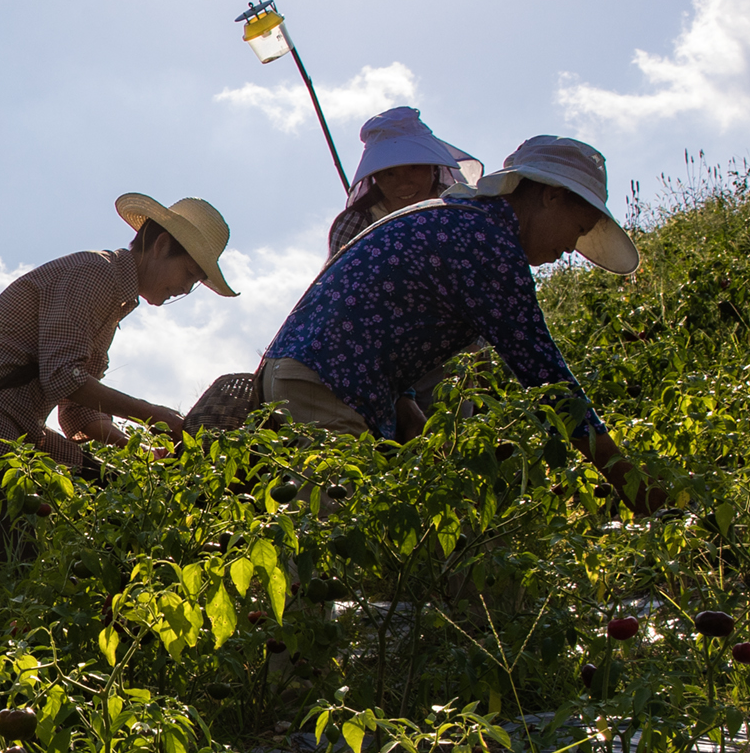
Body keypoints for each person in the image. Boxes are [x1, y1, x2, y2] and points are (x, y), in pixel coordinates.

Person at [258, 136, 644, 492]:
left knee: (369, 523)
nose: (570, 248)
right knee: (337, 534)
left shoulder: (463, 220)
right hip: (324, 381)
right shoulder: (487, 243)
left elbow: (390, 313)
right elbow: (547, 376)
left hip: (313, 372)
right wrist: (634, 487)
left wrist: (404, 398)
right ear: (552, 198)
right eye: (577, 229)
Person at [0, 194, 236, 556]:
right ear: (163, 245)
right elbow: (63, 378)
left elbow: (76, 410)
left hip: (16, 426)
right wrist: (156, 415)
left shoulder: (116, 298)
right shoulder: (95, 275)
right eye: (188, 274)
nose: (185, 289)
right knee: (8, 560)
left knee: (113, 488)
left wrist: (137, 452)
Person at [327, 106, 481, 260]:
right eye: (389, 174)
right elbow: (338, 280)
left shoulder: (460, 208)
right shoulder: (357, 222)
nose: (404, 184)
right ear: (376, 178)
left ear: (433, 168)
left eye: (414, 168)